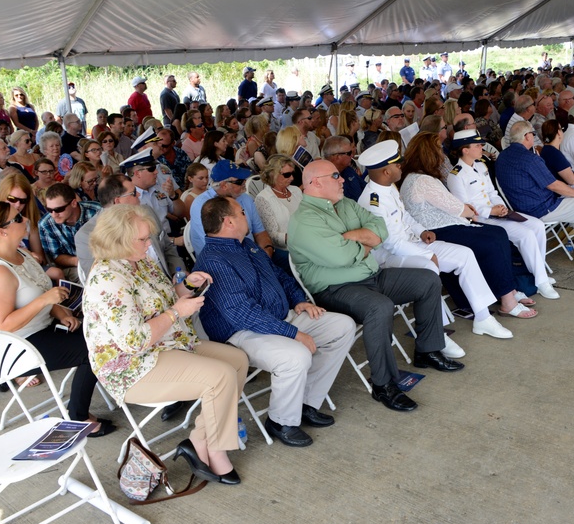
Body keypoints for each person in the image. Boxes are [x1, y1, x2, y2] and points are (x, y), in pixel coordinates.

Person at [83, 204, 247, 484]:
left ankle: (199, 441)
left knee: (237, 361)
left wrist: (188, 287)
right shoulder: (108, 279)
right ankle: (217, 451)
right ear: (118, 240)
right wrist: (177, 313)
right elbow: (133, 341)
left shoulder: (138, 259)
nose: (149, 245)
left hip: (166, 343)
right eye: (143, 239)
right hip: (131, 367)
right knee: (219, 376)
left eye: (149, 238)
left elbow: (163, 297)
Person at [288, 159, 462, 413]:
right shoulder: (304, 220)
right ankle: (384, 384)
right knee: (380, 307)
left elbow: (380, 230)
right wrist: (364, 243)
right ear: (315, 182)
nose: (342, 180)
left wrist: (352, 238)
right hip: (336, 289)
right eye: (335, 176)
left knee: (427, 279)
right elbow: (340, 257)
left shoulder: (345, 204)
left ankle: (427, 349)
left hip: (370, 277)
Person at [194, 196, 356, 447]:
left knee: (343, 327)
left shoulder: (246, 245)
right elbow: (242, 314)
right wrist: (292, 333)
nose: (246, 215)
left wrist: (299, 299)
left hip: (279, 318)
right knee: (295, 356)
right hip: (241, 334)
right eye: (242, 212)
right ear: (228, 222)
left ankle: (305, 403)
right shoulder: (214, 259)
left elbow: (279, 275)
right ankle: (281, 421)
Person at [0, 202, 114, 435]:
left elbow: (38, 290)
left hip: (40, 328)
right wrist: (46, 301)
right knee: (94, 350)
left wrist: (59, 311)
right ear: (2, 231)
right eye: (18, 219)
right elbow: (4, 324)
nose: (25, 220)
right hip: (12, 345)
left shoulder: (21, 254)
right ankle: (78, 418)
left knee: (102, 333)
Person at [359, 139, 516, 340]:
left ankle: (483, 318)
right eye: (397, 164)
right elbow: (392, 243)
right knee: (429, 268)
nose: (401, 166)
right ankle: (437, 331)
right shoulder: (373, 200)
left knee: (465, 255)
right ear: (386, 172)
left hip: (411, 243)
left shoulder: (387, 187)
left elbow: (404, 215)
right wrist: (427, 253)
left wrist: (422, 230)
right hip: (391, 255)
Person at [400, 134, 539, 319]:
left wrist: (467, 210)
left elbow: (460, 206)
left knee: (497, 234)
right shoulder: (422, 180)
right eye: (438, 149)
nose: (442, 154)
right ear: (429, 154)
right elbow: (458, 208)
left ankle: (508, 290)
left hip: (443, 226)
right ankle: (507, 300)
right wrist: (466, 210)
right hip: (437, 231)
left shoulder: (418, 177)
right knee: (492, 240)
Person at [446, 130, 559, 298]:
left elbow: (492, 193)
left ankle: (538, 272)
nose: (481, 147)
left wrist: (500, 206)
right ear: (465, 150)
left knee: (537, 225)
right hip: (482, 220)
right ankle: (541, 282)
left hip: (498, 213)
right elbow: (466, 208)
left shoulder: (481, 166)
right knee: (525, 234)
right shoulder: (456, 175)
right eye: (477, 145)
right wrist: (491, 211)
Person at [495, 121, 574, 267]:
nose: (533, 137)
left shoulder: (502, 157)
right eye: (532, 134)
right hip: (540, 209)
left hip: (520, 208)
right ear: (526, 136)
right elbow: (554, 185)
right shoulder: (530, 158)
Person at [187, 159, 271, 258]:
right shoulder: (202, 206)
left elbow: (260, 232)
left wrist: (267, 252)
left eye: (244, 179)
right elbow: (218, 248)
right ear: (224, 185)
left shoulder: (244, 198)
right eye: (239, 181)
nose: (245, 182)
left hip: (253, 255)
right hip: (221, 262)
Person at [38, 183, 101, 281]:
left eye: (59, 209)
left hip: (103, 257)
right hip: (73, 266)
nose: (54, 215)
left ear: (74, 203)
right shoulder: (45, 224)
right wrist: (80, 261)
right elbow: (56, 256)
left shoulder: (97, 211)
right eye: (49, 209)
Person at [253, 154, 302, 270]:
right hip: (286, 249)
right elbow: (272, 236)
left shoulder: (296, 191)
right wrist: (297, 238)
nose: (292, 178)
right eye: (287, 175)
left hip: (305, 241)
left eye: (292, 174)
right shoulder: (263, 199)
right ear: (273, 174)